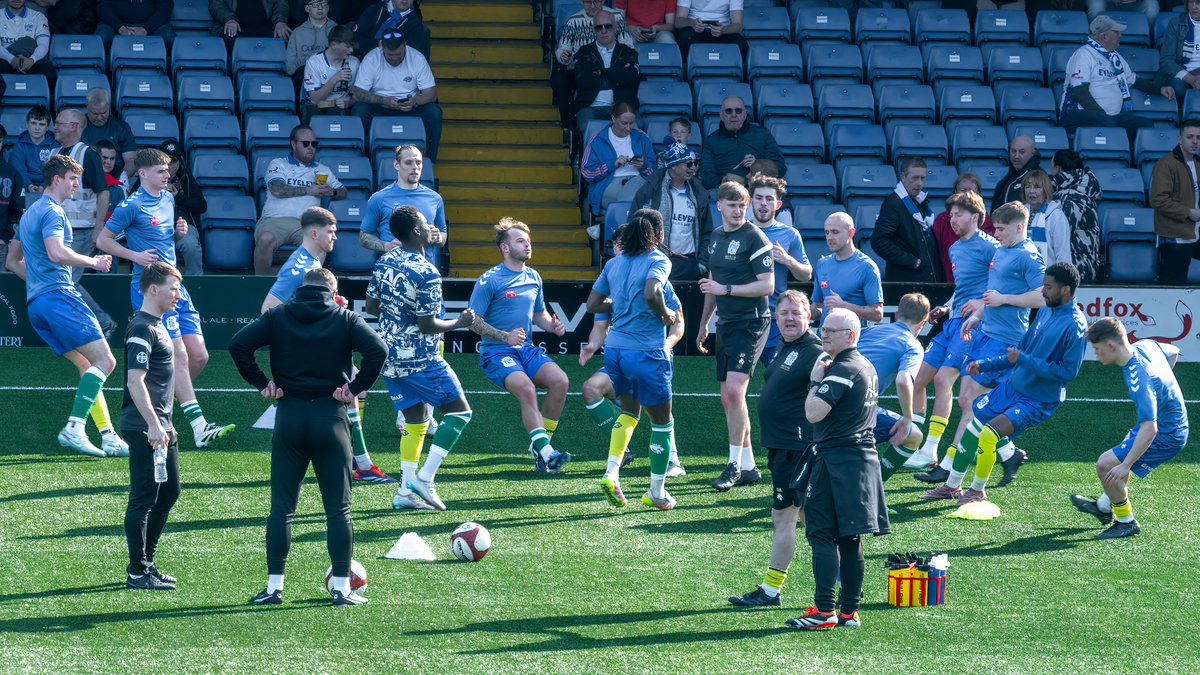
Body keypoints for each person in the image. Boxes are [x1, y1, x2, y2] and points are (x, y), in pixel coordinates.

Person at [230, 267, 387, 607]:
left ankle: (274, 588)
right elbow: (378, 350)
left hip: (289, 417)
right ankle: (342, 589)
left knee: (281, 510)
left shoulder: (278, 315)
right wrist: (355, 388)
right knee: (339, 511)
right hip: (331, 418)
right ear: (333, 291)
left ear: (302, 288)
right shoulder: (345, 318)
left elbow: (238, 345)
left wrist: (262, 383)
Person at [98, 148, 237, 449]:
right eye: (161, 171)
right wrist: (135, 255)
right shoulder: (131, 206)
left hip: (175, 284)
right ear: (143, 173)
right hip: (151, 289)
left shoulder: (168, 199)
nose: (168, 175)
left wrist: (177, 235)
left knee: (199, 356)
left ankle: (156, 405)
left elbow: (164, 242)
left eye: (168, 170)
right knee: (180, 355)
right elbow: (102, 240)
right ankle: (199, 427)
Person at [925, 263, 1086, 506]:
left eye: (1048, 287)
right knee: (973, 428)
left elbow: (1067, 372)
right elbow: (1018, 351)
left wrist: (1025, 360)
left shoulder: (1075, 325)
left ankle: (977, 491)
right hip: (1012, 387)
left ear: (1065, 289)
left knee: (989, 433)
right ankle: (952, 486)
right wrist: (985, 365)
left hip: (1037, 399)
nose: (1042, 291)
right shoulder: (1046, 310)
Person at [919, 203, 1050, 496]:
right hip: (985, 334)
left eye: (1001, 229)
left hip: (1006, 340)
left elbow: (1043, 296)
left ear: (1019, 227)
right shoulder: (1002, 250)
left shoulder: (1028, 256)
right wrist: (978, 315)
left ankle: (952, 473)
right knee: (971, 402)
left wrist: (1005, 299)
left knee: (972, 403)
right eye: (995, 228)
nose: (996, 233)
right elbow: (991, 294)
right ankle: (1007, 453)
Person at [260, 206, 392, 484]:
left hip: (321, 343)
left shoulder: (311, 263)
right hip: (313, 349)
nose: (335, 237)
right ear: (314, 233)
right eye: (331, 232)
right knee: (352, 389)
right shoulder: (297, 267)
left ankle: (357, 460)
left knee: (355, 389)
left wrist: (331, 306)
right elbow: (268, 310)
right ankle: (358, 462)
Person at [366, 206, 476, 511]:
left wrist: (397, 317)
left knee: (416, 422)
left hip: (388, 357)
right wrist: (460, 323)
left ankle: (405, 492)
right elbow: (428, 325)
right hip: (421, 359)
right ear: (416, 232)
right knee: (460, 414)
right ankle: (425, 479)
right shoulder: (427, 273)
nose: (431, 229)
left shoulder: (385, 261)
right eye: (426, 225)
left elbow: (372, 307)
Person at [786, 307, 887, 631]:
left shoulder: (843, 368)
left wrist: (815, 382)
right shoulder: (865, 365)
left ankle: (825, 610)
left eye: (831, 330)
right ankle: (848, 611)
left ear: (851, 336)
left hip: (837, 461)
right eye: (823, 328)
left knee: (821, 533)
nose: (823, 334)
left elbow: (814, 413)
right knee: (849, 537)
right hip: (860, 461)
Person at [15, 154, 118, 457]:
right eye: (73, 179)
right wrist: (93, 262)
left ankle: (108, 435)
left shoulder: (30, 213)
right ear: (57, 179)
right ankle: (74, 427)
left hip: (37, 304)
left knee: (88, 366)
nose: (76, 185)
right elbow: (57, 253)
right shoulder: (52, 211)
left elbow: (13, 261)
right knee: (106, 361)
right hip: (59, 296)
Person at [727, 290, 822, 608]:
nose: (789, 318)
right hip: (782, 447)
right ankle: (838, 583)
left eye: (796, 312)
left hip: (798, 448)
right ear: (776, 318)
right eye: (784, 313)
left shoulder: (815, 351)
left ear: (808, 316)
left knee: (789, 518)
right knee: (806, 518)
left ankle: (773, 591)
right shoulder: (785, 346)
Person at [586, 209, 680, 510]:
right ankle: (656, 492)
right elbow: (653, 294)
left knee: (628, 414)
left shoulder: (614, 263)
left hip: (615, 351)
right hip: (646, 351)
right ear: (659, 235)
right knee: (662, 423)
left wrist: (622, 303)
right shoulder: (658, 260)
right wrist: (665, 314)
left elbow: (592, 304)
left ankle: (612, 473)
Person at [468, 218, 572, 473]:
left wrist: (551, 326)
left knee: (560, 381)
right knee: (527, 389)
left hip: (526, 350)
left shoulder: (534, 276)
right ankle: (547, 453)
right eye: (520, 241)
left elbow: (539, 314)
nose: (527, 245)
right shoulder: (489, 280)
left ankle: (541, 447)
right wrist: (505, 337)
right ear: (505, 248)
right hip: (496, 353)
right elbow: (472, 321)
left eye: (528, 240)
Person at [1071, 318, 1188, 540]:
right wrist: (1162, 393)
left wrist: (1126, 465)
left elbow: (1150, 429)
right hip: (1168, 421)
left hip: (1168, 435)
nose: (1096, 354)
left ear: (1110, 346)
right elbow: (1173, 352)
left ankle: (1126, 523)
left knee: (1106, 465)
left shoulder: (1139, 378)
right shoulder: (1146, 345)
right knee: (1120, 456)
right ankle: (1104, 506)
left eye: (1097, 349)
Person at [911, 191, 1000, 471]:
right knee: (918, 380)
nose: (952, 220)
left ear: (975, 217)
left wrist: (981, 304)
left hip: (971, 325)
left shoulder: (991, 247)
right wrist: (946, 307)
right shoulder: (954, 249)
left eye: (959, 214)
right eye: (951, 215)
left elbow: (1005, 285)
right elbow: (962, 289)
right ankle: (916, 444)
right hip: (951, 323)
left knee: (942, 381)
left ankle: (931, 449)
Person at [696, 181, 774, 492]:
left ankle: (733, 465)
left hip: (752, 322)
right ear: (719, 206)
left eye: (742, 205)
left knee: (734, 390)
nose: (738, 210)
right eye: (732, 205)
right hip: (726, 323)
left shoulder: (754, 237)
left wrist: (725, 290)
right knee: (727, 397)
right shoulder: (716, 237)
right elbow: (712, 283)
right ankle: (749, 466)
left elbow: (767, 285)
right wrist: (704, 323)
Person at [122, 262, 182, 591]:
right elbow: (135, 381)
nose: (177, 295)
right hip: (146, 427)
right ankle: (137, 571)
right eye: (173, 289)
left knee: (169, 492)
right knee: (144, 497)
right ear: (153, 289)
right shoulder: (141, 328)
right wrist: (154, 425)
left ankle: (147, 563)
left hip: (161, 426)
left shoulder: (158, 326)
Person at [53, 108, 116, 337]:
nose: (55, 126)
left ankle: (102, 322)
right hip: (58, 231)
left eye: (59, 123)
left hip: (81, 231)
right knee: (62, 282)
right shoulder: (55, 153)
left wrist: (98, 229)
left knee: (67, 281)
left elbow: (103, 192)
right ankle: (85, 327)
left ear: (73, 126)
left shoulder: (87, 154)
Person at [254, 124, 347, 275]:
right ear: (293, 144)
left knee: (320, 243)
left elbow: (343, 192)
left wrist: (332, 191)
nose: (310, 148)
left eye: (314, 144)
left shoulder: (322, 169)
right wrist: (308, 190)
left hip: (307, 223)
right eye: (306, 143)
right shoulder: (279, 164)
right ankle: (260, 283)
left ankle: (309, 285)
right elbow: (277, 189)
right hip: (275, 220)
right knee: (265, 240)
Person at [857, 294, 930, 482]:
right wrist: (908, 419)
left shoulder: (869, 331)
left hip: (825, 398)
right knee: (914, 436)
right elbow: (904, 381)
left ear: (897, 315)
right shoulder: (912, 345)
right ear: (922, 324)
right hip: (856, 410)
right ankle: (873, 487)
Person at [1060, 15, 1166, 142]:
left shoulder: (1115, 57)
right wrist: (1101, 114)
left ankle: (1130, 153)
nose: (1120, 35)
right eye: (1116, 32)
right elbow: (1080, 91)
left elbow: (1133, 80)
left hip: (1109, 117)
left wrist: (1159, 89)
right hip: (1076, 115)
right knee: (1109, 123)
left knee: (1145, 125)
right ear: (1104, 36)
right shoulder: (1083, 55)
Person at [746, 172, 810, 365]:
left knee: (777, 376)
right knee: (736, 379)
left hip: (775, 319)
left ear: (778, 204)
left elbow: (806, 275)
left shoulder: (790, 234)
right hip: (743, 316)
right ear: (750, 201)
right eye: (759, 198)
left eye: (769, 199)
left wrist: (788, 260)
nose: (763, 203)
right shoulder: (740, 231)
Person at [350, 30, 443, 161]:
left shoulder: (417, 58)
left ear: (405, 45)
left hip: (410, 107)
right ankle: (364, 159)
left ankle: (429, 160)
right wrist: (383, 100)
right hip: (380, 106)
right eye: (390, 55)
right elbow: (358, 93)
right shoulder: (372, 58)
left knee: (434, 112)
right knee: (360, 109)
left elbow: (431, 93)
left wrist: (415, 101)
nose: (394, 58)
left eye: (398, 54)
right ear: (381, 46)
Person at [632, 141, 711, 280]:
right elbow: (634, 226)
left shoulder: (699, 192)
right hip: (657, 263)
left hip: (690, 264)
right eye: (689, 164)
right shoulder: (650, 189)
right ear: (674, 165)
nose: (693, 167)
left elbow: (707, 231)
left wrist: (702, 265)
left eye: (695, 163)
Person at [359, 145, 447, 269]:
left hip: (424, 271)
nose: (415, 167)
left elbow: (443, 234)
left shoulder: (435, 198)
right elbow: (364, 236)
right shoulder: (379, 198)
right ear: (396, 165)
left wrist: (439, 238)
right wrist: (385, 246)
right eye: (408, 162)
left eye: (418, 162)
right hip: (392, 270)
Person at [571, 11, 640, 137]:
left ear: (615, 26)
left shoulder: (628, 52)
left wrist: (601, 72)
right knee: (588, 129)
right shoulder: (583, 53)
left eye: (607, 26)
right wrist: (617, 76)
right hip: (590, 107)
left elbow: (631, 77)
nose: (603, 31)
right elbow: (583, 80)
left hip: (623, 107)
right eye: (599, 27)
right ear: (593, 30)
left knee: (635, 130)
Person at [872, 156, 940, 284]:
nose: (920, 183)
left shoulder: (920, 202)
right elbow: (879, 242)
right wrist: (912, 261)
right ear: (903, 176)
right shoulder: (893, 204)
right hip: (906, 282)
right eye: (915, 178)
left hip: (923, 280)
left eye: (923, 178)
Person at [581, 100, 655, 216]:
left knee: (636, 185)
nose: (628, 128)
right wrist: (612, 165)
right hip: (609, 185)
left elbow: (655, 172)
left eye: (631, 123)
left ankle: (615, 224)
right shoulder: (598, 139)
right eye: (624, 123)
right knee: (639, 196)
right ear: (613, 119)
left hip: (638, 182)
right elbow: (587, 173)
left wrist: (643, 166)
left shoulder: (642, 137)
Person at [810, 212, 884, 326]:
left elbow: (877, 314)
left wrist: (844, 306)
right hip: (825, 335)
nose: (829, 237)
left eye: (835, 232)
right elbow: (818, 307)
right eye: (827, 232)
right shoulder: (822, 264)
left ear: (851, 233)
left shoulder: (867, 267)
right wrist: (797, 311)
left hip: (854, 336)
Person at [1149, 118, 1200, 285]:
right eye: (1190, 137)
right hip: (1174, 237)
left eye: (1198, 137)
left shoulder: (1197, 163)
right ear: (1180, 139)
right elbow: (1158, 199)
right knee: (1175, 287)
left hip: (1195, 232)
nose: (1195, 141)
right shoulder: (1166, 164)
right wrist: (1188, 212)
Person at [699, 96, 787, 189]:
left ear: (745, 115)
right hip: (727, 192)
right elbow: (706, 176)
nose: (733, 115)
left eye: (738, 111)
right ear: (721, 116)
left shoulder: (762, 134)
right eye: (729, 111)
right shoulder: (711, 141)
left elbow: (780, 168)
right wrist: (722, 183)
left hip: (759, 189)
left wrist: (757, 164)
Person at [1049, 149, 1103, 283]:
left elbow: (1061, 231)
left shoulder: (1070, 195)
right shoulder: (1080, 189)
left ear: (1058, 168)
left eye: (1051, 166)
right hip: (1082, 264)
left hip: (1075, 268)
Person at [931, 172, 995, 283]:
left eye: (971, 191)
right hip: (946, 282)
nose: (966, 195)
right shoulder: (942, 221)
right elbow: (934, 254)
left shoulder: (990, 234)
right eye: (963, 191)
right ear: (955, 192)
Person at [155, 140, 207, 277]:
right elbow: (134, 199)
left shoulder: (185, 177)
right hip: (156, 225)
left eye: (173, 161)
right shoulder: (150, 176)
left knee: (190, 244)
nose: (169, 166)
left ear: (180, 162)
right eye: (165, 160)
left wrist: (177, 196)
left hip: (183, 224)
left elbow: (202, 206)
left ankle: (196, 280)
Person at [301, 24, 359, 122]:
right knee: (312, 115)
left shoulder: (354, 63)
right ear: (333, 45)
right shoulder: (314, 62)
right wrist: (334, 80)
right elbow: (315, 99)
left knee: (336, 114)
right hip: (317, 105)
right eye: (347, 46)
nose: (351, 50)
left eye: (352, 46)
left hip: (340, 105)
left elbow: (359, 93)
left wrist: (349, 103)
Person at [1023, 169, 1073, 267]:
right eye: (1028, 187)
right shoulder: (1020, 214)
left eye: (1037, 187)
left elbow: (1063, 255)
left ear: (1045, 191)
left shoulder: (1056, 216)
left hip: (1049, 274)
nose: (1031, 191)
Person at [353, 0, 430, 60]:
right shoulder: (374, 10)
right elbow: (354, 40)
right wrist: (378, 44)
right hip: (364, 59)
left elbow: (410, 54)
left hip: (396, 66)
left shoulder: (415, 23)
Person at [0, 0, 56, 82]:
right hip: (5, 59)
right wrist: (11, 59)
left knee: (47, 70)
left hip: (31, 58)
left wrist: (32, 60)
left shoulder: (38, 16)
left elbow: (43, 45)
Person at [1157, 0, 1200, 102]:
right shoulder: (1176, 23)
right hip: (1183, 71)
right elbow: (1166, 61)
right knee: (1177, 89)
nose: (1194, 6)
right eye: (1191, 2)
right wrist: (1191, 79)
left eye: (1198, 2)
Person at [673, 0, 746, 58]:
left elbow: (738, 25)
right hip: (694, 29)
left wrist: (724, 29)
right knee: (685, 39)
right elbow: (678, 21)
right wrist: (692, 23)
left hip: (722, 31)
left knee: (741, 45)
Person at [285, 0, 334, 85]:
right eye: (315, 4)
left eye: (324, 4)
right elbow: (289, 66)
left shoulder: (337, 30)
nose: (320, 7)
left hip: (330, 75)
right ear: (307, 8)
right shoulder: (297, 33)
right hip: (302, 75)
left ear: (328, 7)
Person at [10, 104, 54, 192]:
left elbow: (56, 170)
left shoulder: (55, 145)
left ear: (47, 127)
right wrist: (29, 185)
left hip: (50, 186)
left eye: (42, 124)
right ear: (27, 124)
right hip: (23, 186)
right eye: (33, 123)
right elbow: (19, 170)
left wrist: (44, 186)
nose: (37, 128)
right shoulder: (19, 145)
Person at [992, 135, 1041, 212]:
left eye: (1022, 152)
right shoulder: (1007, 179)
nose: (1016, 156)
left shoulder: (1039, 177)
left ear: (1033, 153)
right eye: (1013, 151)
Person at [96, 0, 174, 46]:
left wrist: (146, 28)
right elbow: (103, 6)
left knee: (168, 35)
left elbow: (165, 7)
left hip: (150, 28)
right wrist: (120, 28)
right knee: (101, 35)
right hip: (117, 27)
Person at [209, 0, 291, 42]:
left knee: (284, 36)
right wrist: (229, 19)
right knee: (229, 37)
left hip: (265, 28)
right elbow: (216, 3)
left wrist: (280, 21)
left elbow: (281, 3)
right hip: (237, 29)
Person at [93, 140, 129, 224]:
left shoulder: (120, 176)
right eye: (105, 158)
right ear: (96, 157)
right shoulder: (82, 175)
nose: (108, 162)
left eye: (112, 159)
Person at [1087, 0, 1157, 25]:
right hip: (1106, 2)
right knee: (1096, 6)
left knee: (1151, 6)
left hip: (1136, 3)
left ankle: (1149, 37)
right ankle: (1095, 35)